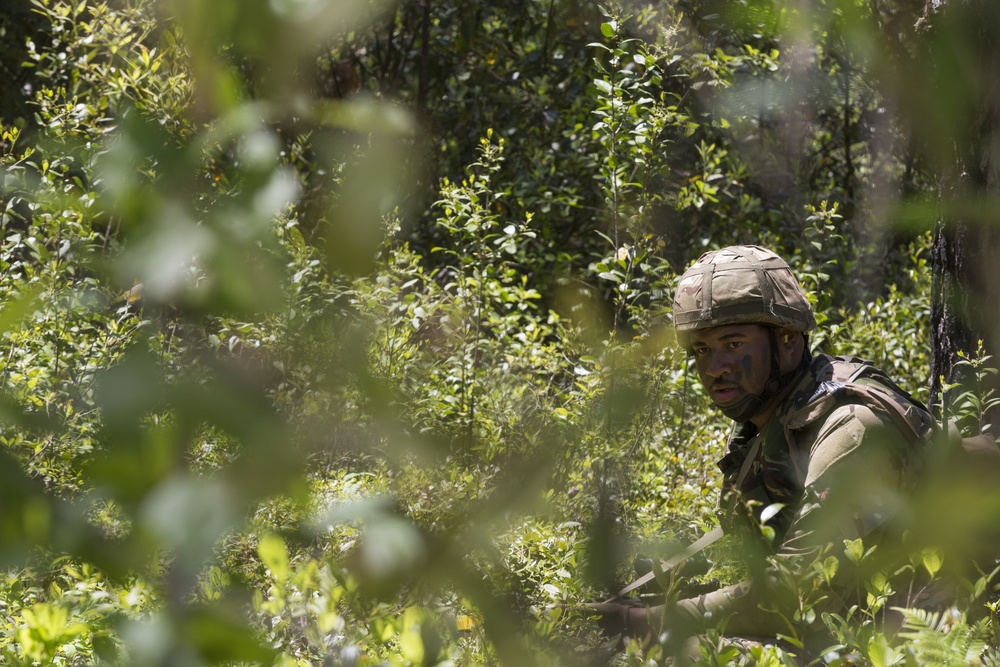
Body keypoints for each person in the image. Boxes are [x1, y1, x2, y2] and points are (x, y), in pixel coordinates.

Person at [588, 245, 941, 656]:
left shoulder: (851, 428)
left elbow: (798, 592)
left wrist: (647, 621)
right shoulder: (773, 422)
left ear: (788, 341)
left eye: (733, 344)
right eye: (701, 350)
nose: (714, 367)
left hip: (937, 635)